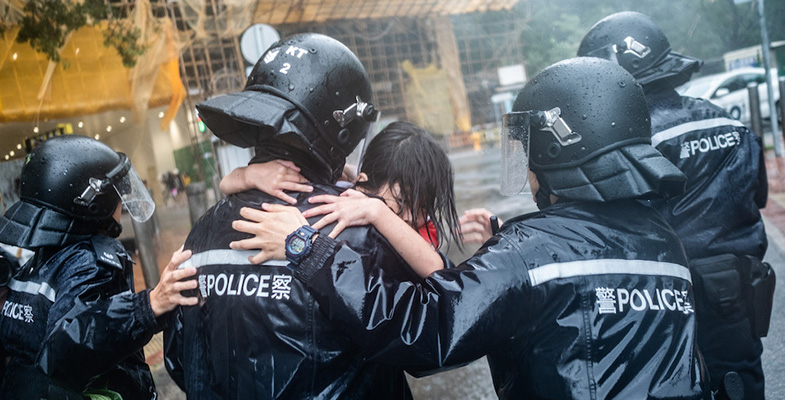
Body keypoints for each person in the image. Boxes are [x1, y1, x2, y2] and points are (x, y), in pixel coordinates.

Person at [231, 57, 711, 399]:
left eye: (528, 157)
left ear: (557, 153)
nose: (525, 173)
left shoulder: (529, 253)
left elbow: (431, 329)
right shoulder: (663, 239)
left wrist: (306, 246)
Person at [162, 33, 423, 399]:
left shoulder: (201, 232)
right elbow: (422, 337)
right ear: (343, 132)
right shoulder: (354, 225)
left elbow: (181, 360)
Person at [577, 12, 773, 400]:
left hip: (665, 299)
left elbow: (609, 231)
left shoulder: (631, 146)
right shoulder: (731, 125)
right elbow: (759, 197)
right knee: (742, 383)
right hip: (738, 291)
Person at [0, 135, 197, 399]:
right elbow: (67, 347)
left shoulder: (30, 260)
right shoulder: (91, 259)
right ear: (94, 202)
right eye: (116, 193)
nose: (120, 202)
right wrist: (149, 304)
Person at [221, 120, 461, 277]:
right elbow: (225, 184)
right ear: (362, 181)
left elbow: (436, 269)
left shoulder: (411, 229)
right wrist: (250, 174)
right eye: (403, 201)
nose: (411, 216)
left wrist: (377, 211)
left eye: (423, 205)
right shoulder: (344, 191)